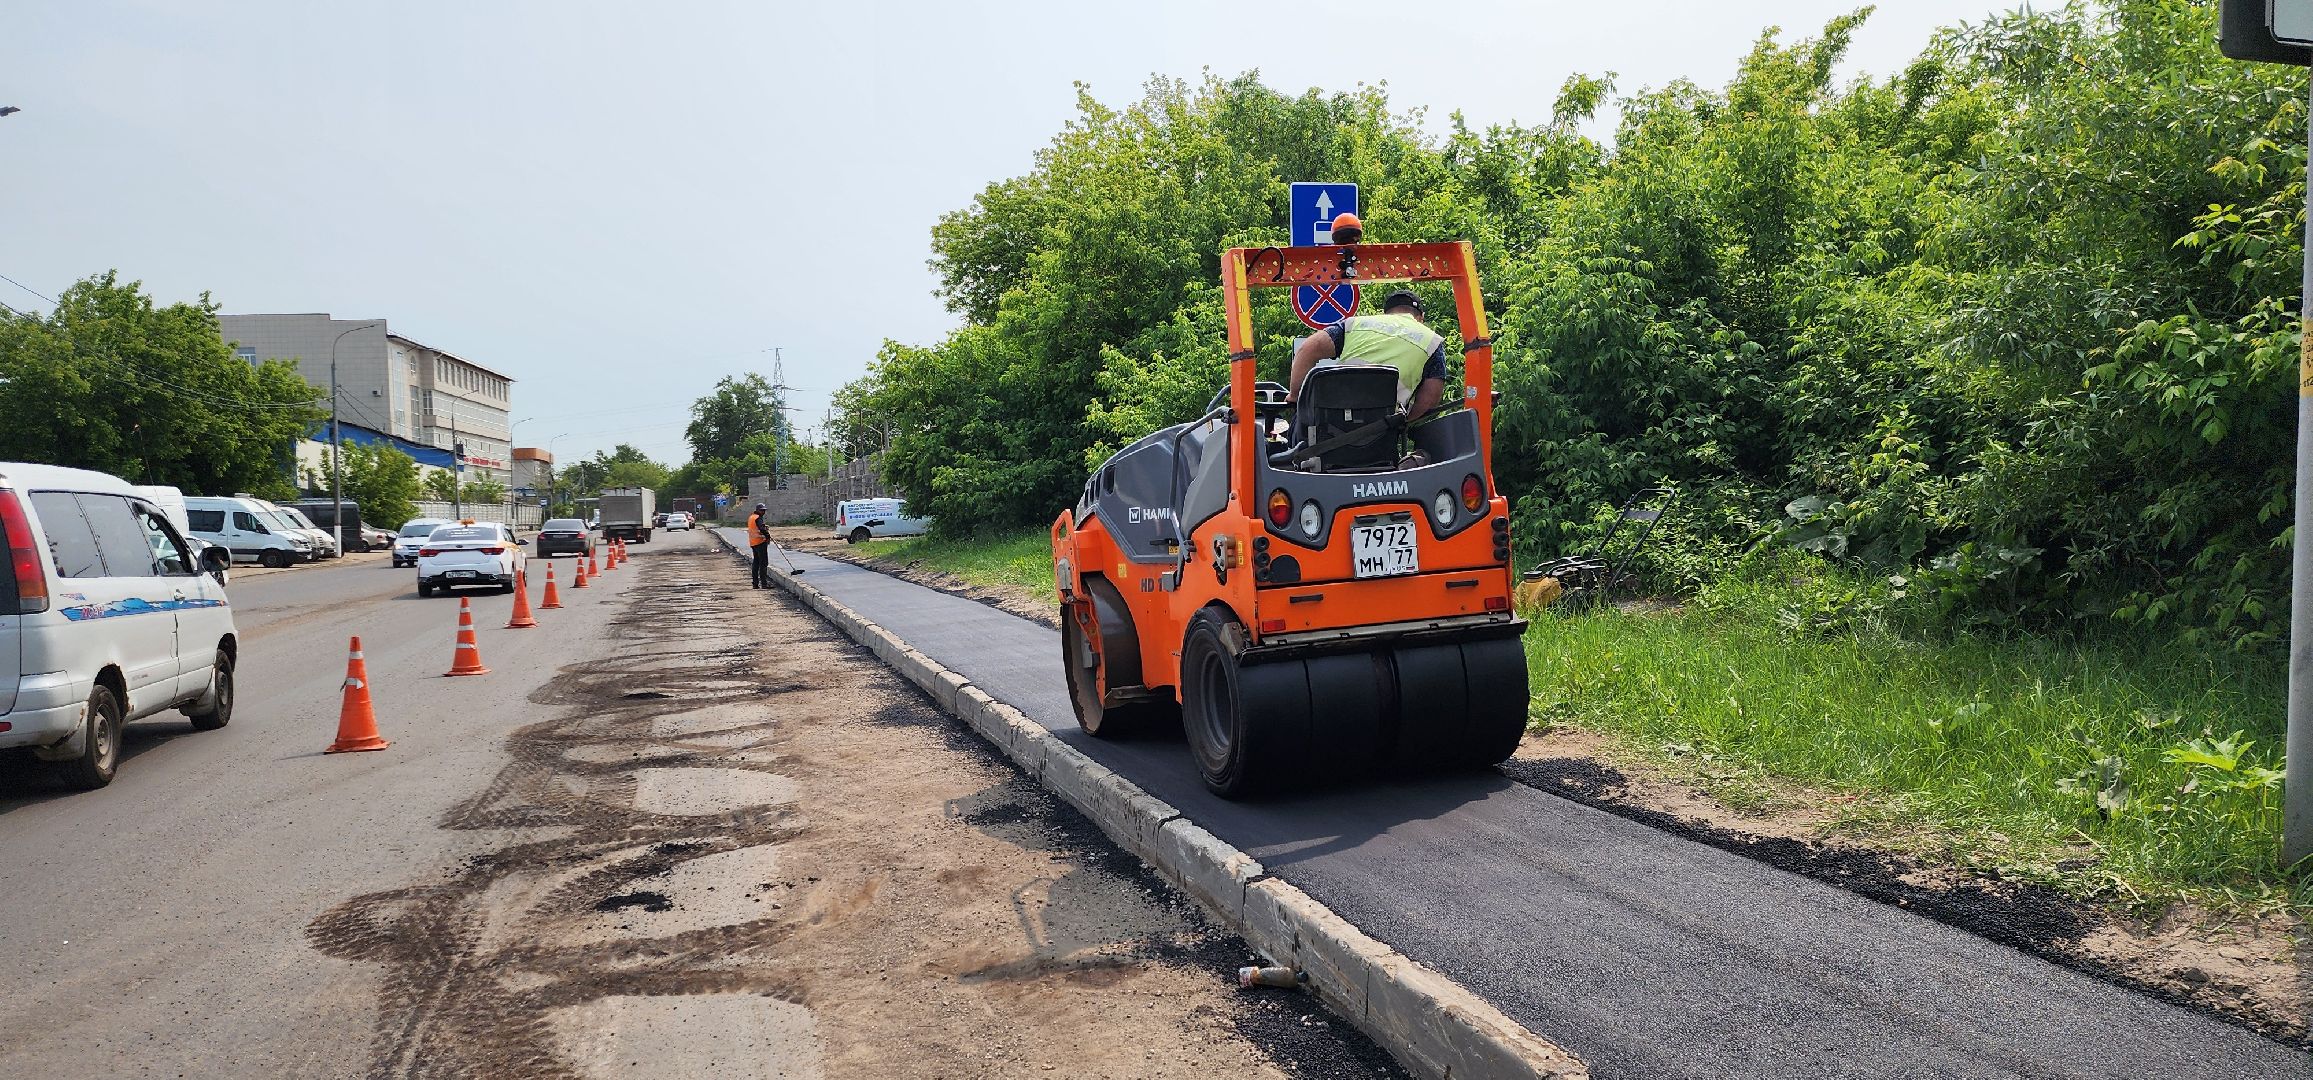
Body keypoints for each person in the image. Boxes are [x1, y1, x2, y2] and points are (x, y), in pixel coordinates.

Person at [1286, 288, 1449, 424]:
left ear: (1385, 314)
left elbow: (1307, 349)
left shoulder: (1356, 325)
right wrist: (1404, 423)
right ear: (1421, 317)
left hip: (1330, 420)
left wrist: (1295, 396)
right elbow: (1429, 399)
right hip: (1381, 431)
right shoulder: (1431, 342)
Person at [746, 502, 772, 589]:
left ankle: (755, 584)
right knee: (763, 563)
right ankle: (764, 584)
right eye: (762, 510)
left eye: (764, 510)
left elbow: (756, 528)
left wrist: (763, 526)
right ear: (757, 510)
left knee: (756, 563)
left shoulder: (751, 517)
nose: (763, 512)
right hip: (760, 542)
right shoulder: (758, 518)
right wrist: (768, 536)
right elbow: (761, 529)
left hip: (753, 543)